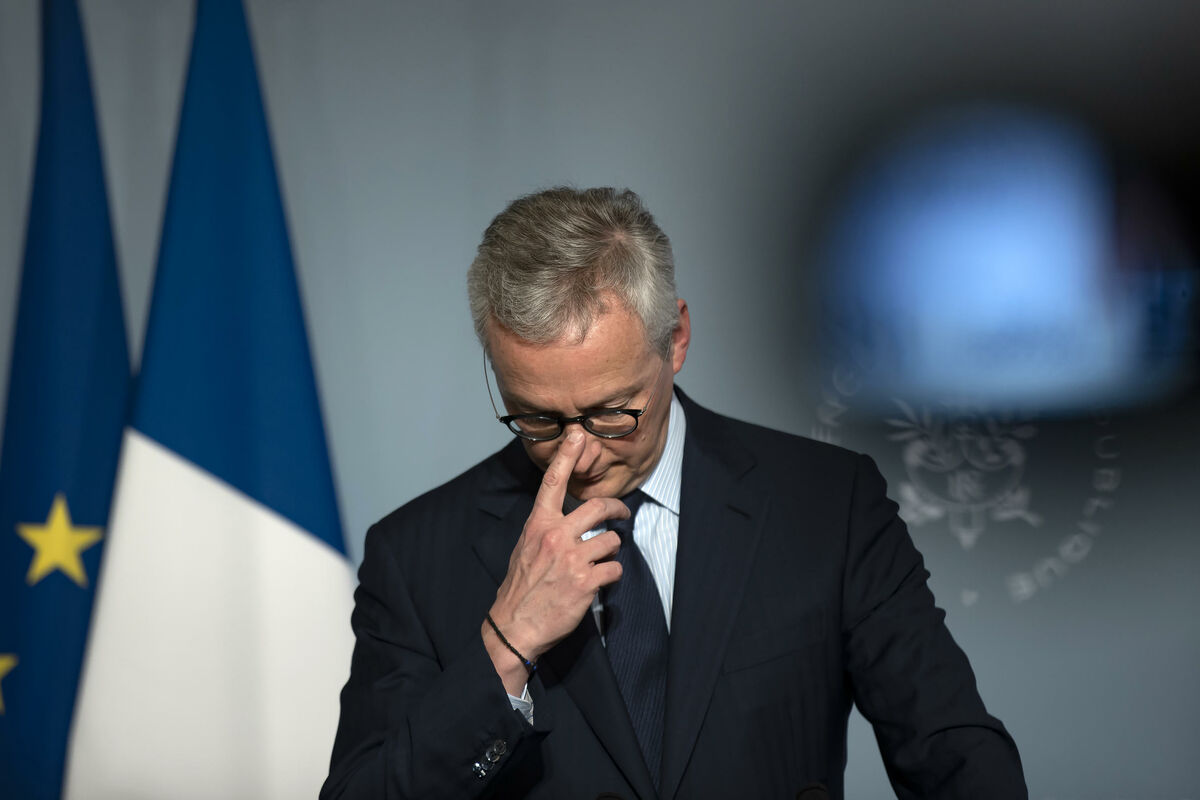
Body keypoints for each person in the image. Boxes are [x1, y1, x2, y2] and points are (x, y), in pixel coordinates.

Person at [322, 187, 1027, 800]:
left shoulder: (827, 506)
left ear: (677, 338)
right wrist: (505, 646)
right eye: (538, 419)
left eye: (612, 411)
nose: (577, 452)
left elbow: (953, 754)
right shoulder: (414, 556)